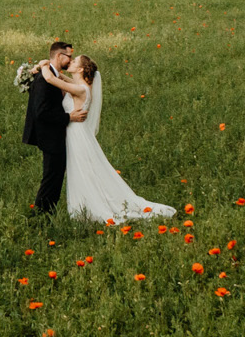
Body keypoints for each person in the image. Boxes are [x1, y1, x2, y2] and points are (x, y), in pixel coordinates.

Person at [61, 54, 174, 222]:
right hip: (76, 133)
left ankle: (90, 206)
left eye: (74, 61)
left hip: (77, 134)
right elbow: (62, 79)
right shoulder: (79, 85)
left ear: (81, 69)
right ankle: (83, 205)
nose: (70, 62)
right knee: (83, 169)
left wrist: (43, 67)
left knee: (84, 170)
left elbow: (52, 79)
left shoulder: (80, 88)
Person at [22, 41, 85, 214]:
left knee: (55, 177)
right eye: (69, 56)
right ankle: (41, 214)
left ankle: (47, 212)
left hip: (55, 134)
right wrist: (68, 117)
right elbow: (42, 112)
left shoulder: (51, 75)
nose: (70, 60)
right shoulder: (45, 79)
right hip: (50, 136)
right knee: (51, 178)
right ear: (59, 56)